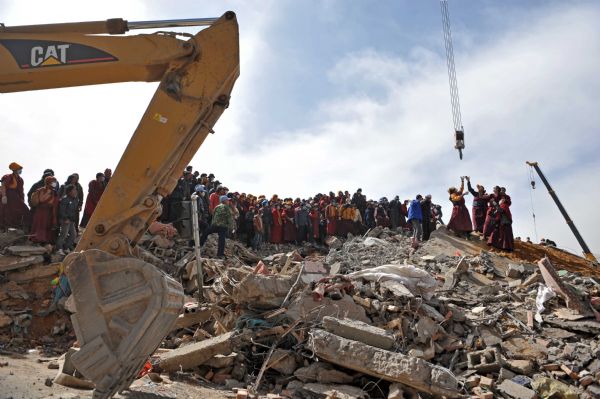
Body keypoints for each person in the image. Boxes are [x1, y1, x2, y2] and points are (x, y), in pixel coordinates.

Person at [0, 162, 30, 230]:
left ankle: (21, 226)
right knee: (7, 211)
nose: (20, 170)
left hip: (17, 198)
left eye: (20, 169)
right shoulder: (8, 177)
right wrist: (4, 196)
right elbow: (3, 186)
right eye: (19, 169)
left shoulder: (20, 179)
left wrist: (22, 199)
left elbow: (21, 190)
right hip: (8, 196)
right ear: (14, 170)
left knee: (25, 210)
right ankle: (7, 227)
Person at [30, 175, 59, 244]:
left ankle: (45, 240)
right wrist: (48, 194)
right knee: (40, 224)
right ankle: (37, 239)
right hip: (41, 211)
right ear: (48, 182)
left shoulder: (54, 192)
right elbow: (41, 200)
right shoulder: (41, 190)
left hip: (49, 211)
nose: (54, 183)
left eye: (55, 182)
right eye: (53, 182)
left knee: (47, 225)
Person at [56, 185, 79, 255]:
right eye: (74, 190)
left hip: (71, 220)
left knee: (73, 234)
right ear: (69, 192)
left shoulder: (75, 199)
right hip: (65, 220)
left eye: (75, 190)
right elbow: (61, 211)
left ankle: (66, 247)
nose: (75, 191)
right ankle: (58, 249)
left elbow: (74, 211)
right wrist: (65, 218)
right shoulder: (65, 199)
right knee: (64, 234)